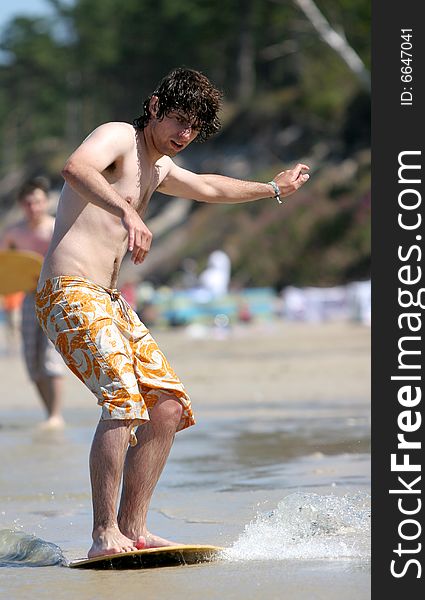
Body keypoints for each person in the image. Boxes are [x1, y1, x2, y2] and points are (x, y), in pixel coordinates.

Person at [35, 67, 310, 558]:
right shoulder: (118, 136)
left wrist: (272, 188)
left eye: (194, 128)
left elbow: (209, 187)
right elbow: (76, 167)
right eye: (179, 120)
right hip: (69, 291)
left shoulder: (158, 168)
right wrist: (128, 210)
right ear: (156, 106)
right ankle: (103, 535)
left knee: (166, 404)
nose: (184, 135)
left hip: (109, 300)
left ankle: (133, 528)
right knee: (122, 398)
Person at [0, 177, 65, 428]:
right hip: (28, 296)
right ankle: (49, 413)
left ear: (45, 202)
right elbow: (5, 266)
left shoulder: (56, 227)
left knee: (51, 356)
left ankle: (55, 415)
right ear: (21, 204)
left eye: (37, 202)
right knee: (32, 359)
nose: (33, 207)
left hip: (56, 294)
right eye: (28, 203)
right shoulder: (15, 232)